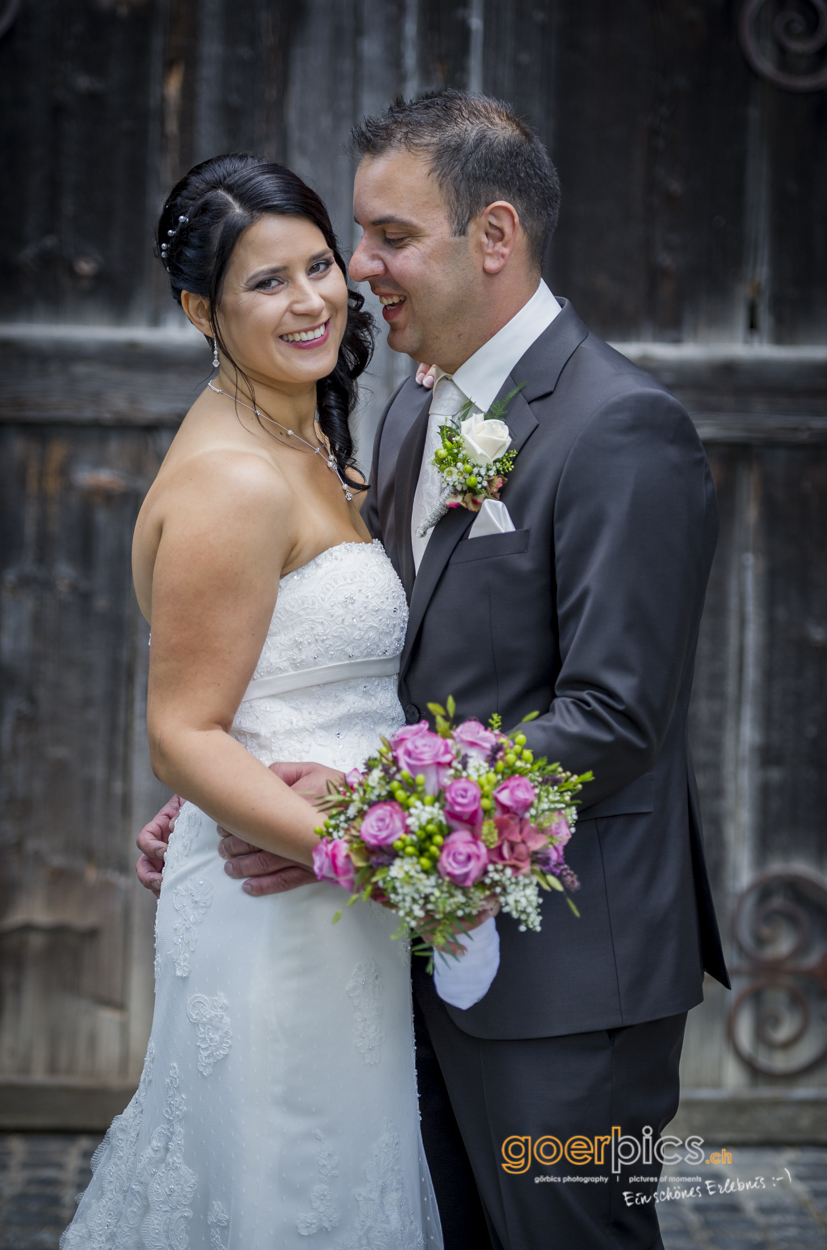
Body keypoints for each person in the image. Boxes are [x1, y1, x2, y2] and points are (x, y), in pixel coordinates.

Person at [138, 91, 730, 1250]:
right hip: (406, 946)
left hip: (569, 972)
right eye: (348, 240)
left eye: (386, 238)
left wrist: (359, 823)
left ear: (493, 237)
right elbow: (384, 670)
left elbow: (611, 716)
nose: (356, 273)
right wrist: (233, 786)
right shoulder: (408, 412)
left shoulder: (621, 426)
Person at [64, 154, 442, 1249]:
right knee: (288, 1191)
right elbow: (183, 732)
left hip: (322, 886)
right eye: (266, 282)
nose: (314, 298)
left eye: (320, 264)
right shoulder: (234, 476)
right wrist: (374, 847)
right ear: (201, 308)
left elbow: (258, 693)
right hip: (284, 901)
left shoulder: (304, 431)